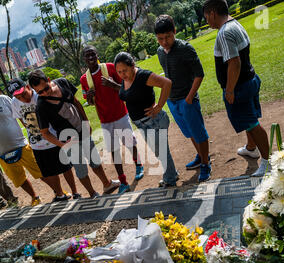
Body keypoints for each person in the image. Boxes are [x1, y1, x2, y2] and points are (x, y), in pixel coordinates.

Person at [203, 0, 270, 176]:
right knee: (250, 120)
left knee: (252, 123)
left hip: (240, 87)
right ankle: (251, 148)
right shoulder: (235, 24)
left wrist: (230, 89)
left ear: (212, 13)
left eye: (206, 17)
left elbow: (234, 62)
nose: (206, 21)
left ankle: (267, 162)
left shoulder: (224, 33)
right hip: (250, 80)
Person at [28, 70, 120, 198]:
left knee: (95, 161)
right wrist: (62, 145)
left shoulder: (62, 82)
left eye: (46, 88)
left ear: (49, 80)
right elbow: (45, 133)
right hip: (68, 140)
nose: (44, 93)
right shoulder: (41, 106)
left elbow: (76, 102)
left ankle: (107, 184)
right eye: (39, 92)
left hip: (82, 130)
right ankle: (92, 193)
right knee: (81, 169)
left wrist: (86, 121)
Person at [80, 45, 144, 194]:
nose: (90, 58)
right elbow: (89, 102)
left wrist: (111, 84)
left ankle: (138, 165)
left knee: (129, 143)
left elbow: (124, 86)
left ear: (97, 54)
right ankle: (122, 181)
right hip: (105, 119)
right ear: (84, 59)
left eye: (92, 54)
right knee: (114, 150)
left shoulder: (109, 67)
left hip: (120, 113)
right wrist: (89, 97)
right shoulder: (85, 79)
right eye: (87, 56)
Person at [155, 14, 212, 182]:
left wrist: (189, 98)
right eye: (160, 39)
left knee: (199, 133)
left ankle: (205, 164)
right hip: (173, 101)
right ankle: (202, 156)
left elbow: (199, 74)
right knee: (189, 132)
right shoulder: (160, 52)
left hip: (188, 99)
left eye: (168, 37)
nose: (164, 42)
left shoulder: (186, 48)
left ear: (174, 32)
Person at [7, 78, 81, 201]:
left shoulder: (40, 95)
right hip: (37, 143)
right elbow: (21, 119)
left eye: (24, 94)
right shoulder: (14, 102)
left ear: (28, 87)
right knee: (49, 171)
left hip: (54, 138)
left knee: (66, 167)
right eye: (18, 97)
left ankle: (75, 192)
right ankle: (60, 194)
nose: (23, 99)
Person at [114, 52, 178, 188]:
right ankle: (171, 174)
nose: (122, 74)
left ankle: (170, 179)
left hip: (153, 121)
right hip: (142, 124)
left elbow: (167, 83)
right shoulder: (125, 79)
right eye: (119, 72)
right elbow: (128, 94)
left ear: (132, 65)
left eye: (124, 70)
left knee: (161, 151)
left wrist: (159, 106)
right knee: (160, 151)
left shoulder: (143, 76)